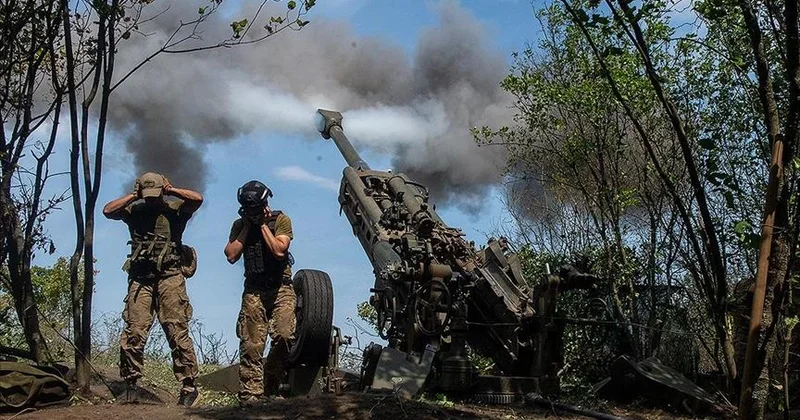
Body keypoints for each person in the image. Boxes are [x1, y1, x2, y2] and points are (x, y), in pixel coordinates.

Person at [102, 172, 203, 407]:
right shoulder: (134, 211)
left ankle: (189, 387)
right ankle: (131, 384)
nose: (151, 200)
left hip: (170, 277)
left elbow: (197, 199)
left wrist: (172, 190)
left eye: (154, 195)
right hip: (141, 279)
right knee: (134, 332)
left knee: (176, 331)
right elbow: (107, 211)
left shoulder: (175, 210)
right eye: (147, 195)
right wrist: (133, 196)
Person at [224, 180, 295, 404]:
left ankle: (270, 386)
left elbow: (279, 250)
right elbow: (231, 255)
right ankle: (250, 394)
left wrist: (263, 225)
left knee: (285, 335)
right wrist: (247, 227)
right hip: (254, 289)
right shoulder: (239, 225)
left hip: (281, 287)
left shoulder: (280, 220)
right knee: (251, 343)